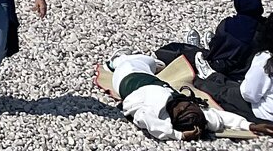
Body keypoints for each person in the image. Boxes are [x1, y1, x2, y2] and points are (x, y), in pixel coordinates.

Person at [104, 53, 269, 140]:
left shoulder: (154, 111)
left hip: (128, 77)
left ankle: (115, 60)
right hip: (149, 78)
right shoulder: (197, 114)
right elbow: (220, 117)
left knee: (137, 62)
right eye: (189, 106)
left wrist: (178, 135)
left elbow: (146, 121)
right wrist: (249, 126)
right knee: (152, 64)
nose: (186, 106)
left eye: (182, 111)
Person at [208, 0, 268, 83]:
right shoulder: (266, 28)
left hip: (227, 69)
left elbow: (216, 47)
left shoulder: (227, 25)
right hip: (252, 72)